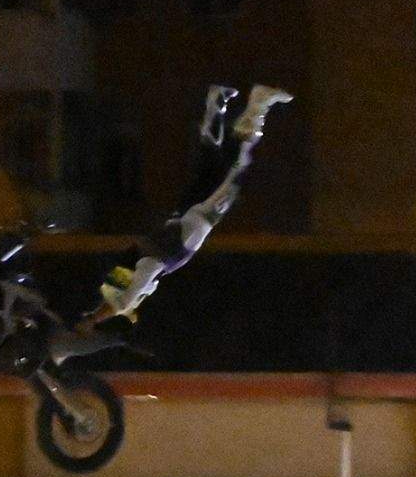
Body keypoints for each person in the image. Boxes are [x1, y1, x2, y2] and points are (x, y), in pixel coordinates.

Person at [72, 84, 294, 338]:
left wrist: (95, 319)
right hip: (185, 217)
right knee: (210, 161)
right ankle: (216, 101)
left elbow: (124, 299)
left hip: (199, 219)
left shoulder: (149, 265)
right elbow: (121, 296)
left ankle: (258, 104)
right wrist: (102, 312)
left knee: (237, 164)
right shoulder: (143, 263)